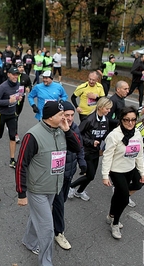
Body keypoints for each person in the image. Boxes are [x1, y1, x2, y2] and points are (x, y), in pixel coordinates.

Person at [16, 101, 81, 266]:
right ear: (51, 116)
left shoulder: (61, 130)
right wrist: (21, 193)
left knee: (37, 217)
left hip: (54, 186)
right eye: (61, 115)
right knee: (47, 229)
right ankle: (46, 262)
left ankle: (29, 241)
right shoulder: (32, 135)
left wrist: (67, 131)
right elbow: (21, 164)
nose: (65, 118)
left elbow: (77, 147)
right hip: (37, 189)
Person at [101, 106, 144, 239]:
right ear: (121, 120)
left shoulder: (137, 133)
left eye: (133, 120)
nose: (130, 123)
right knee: (124, 199)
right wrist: (105, 176)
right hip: (116, 170)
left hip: (130, 168)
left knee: (137, 185)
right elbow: (107, 156)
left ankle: (110, 215)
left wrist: (142, 172)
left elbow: (139, 154)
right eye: (126, 120)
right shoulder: (114, 135)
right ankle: (115, 224)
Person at [52, 101, 86, 250]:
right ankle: (59, 232)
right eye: (67, 115)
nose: (70, 118)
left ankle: (49, 217)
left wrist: (82, 162)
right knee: (59, 205)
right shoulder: (54, 130)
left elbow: (80, 147)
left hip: (69, 174)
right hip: (55, 176)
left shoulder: (75, 128)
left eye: (72, 115)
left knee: (61, 201)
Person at [69, 97, 112, 201]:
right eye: (107, 108)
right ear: (101, 107)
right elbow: (77, 134)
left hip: (95, 152)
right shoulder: (88, 120)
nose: (109, 111)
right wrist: (91, 142)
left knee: (90, 176)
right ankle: (70, 186)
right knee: (90, 175)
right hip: (86, 151)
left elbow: (104, 134)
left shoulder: (105, 120)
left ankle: (79, 192)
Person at [0, 67, 23, 168]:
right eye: (13, 74)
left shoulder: (18, 84)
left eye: (17, 74)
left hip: (12, 114)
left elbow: (18, 95)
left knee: (12, 136)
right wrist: (8, 101)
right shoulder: (3, 87)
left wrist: (19, 98)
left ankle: (12, 159)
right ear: (8, 74)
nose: (15, 76)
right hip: (2, 114)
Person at [15, 63, 32, 143]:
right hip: (13, 98)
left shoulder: (26, 76)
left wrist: (28, 88)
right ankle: (15, 134)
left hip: (22, 98)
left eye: (22, 67)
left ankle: (12, 126)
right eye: (19, 67)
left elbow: (29, 84)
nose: (21, 68)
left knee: (17, 114)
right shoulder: (13, 76)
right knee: (15, 116)